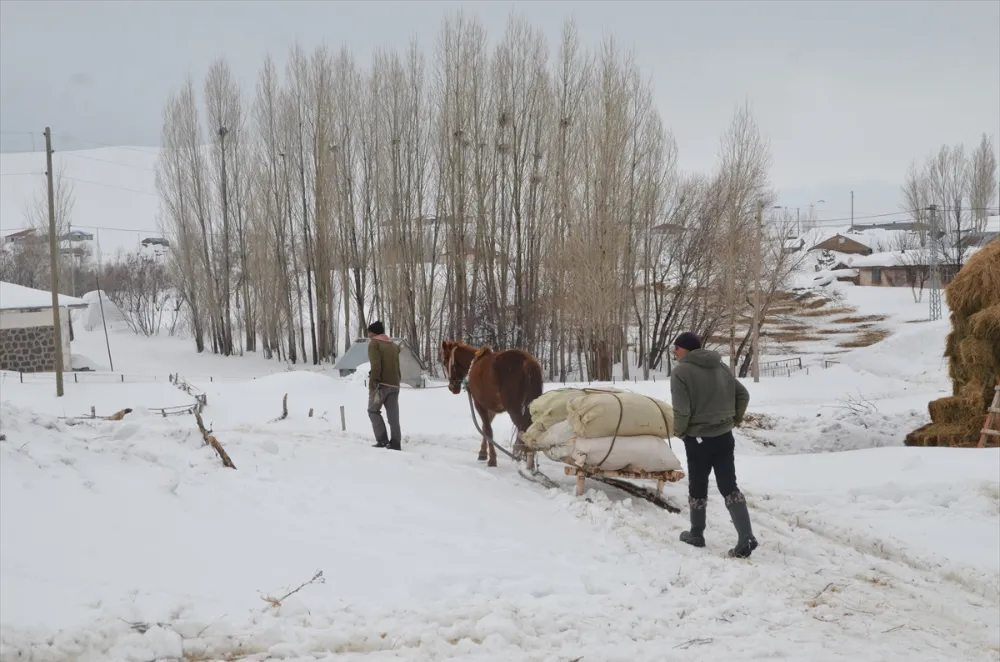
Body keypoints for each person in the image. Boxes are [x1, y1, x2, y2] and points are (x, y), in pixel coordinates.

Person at [669, 331, 757, 558]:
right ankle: (745, 536)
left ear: (685, 349)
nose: (674, 352)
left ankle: (696, 534)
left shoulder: (681, 372)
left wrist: (679, 432)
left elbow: (682, 410)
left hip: (698, 438)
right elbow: (743, 394)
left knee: (698, 485)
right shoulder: (721, 367)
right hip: (724, 436)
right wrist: (734, 419)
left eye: (676, 348)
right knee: (729, 485)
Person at [366, 321, 402, 450]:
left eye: (369, 331)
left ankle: (382, 440)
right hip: (395, 384)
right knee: (393, 416)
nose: (368, 334)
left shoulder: (374, 344)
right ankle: (396, 443)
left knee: (373, 411)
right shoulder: (393, 345)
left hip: (381, 385)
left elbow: (376, 365)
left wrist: (374, 382)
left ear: (373, 332)